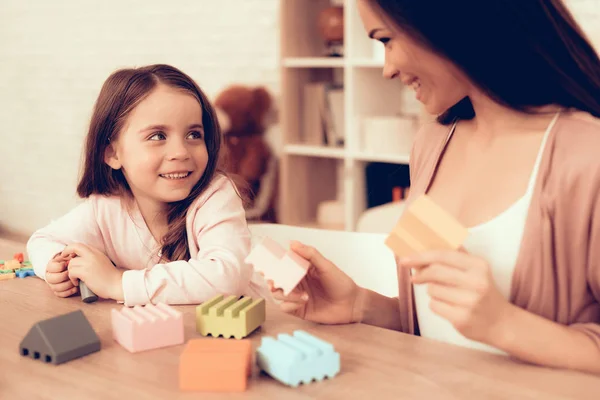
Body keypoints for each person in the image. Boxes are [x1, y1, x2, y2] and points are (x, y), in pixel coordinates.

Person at [271, 0, 600, 375]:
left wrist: (504, 324)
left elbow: (486, 325)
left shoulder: (586, 155)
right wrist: (360, 305)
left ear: (450, 22)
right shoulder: (433, 144)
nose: (387, 68)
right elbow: (439, 323)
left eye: (387, 40)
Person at [27, 64, 269, 306]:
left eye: (194, 134)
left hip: (263, 325)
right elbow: (42, 240)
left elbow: (227, 278)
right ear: (112, 153)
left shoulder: (216, 196)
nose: (180, 152)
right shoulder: (106, 208)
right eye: (158, 136)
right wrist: (54, 265)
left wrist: (116, 282)